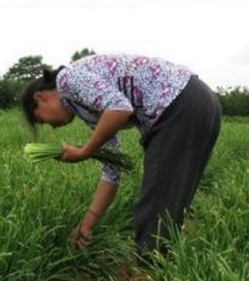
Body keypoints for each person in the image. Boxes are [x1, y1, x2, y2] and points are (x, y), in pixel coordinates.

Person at [21, 54, 221, 264]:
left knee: (155, 204)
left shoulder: (67, 80)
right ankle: (164, 272)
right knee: (169, 200)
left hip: (178, 104)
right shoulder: (87, 105)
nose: (51, 126)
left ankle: (152, 279)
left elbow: (120, 108)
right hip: (197, 101)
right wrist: (88, 222)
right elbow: (112, 170)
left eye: (40, 120)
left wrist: (83, 152)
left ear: (41, 97)